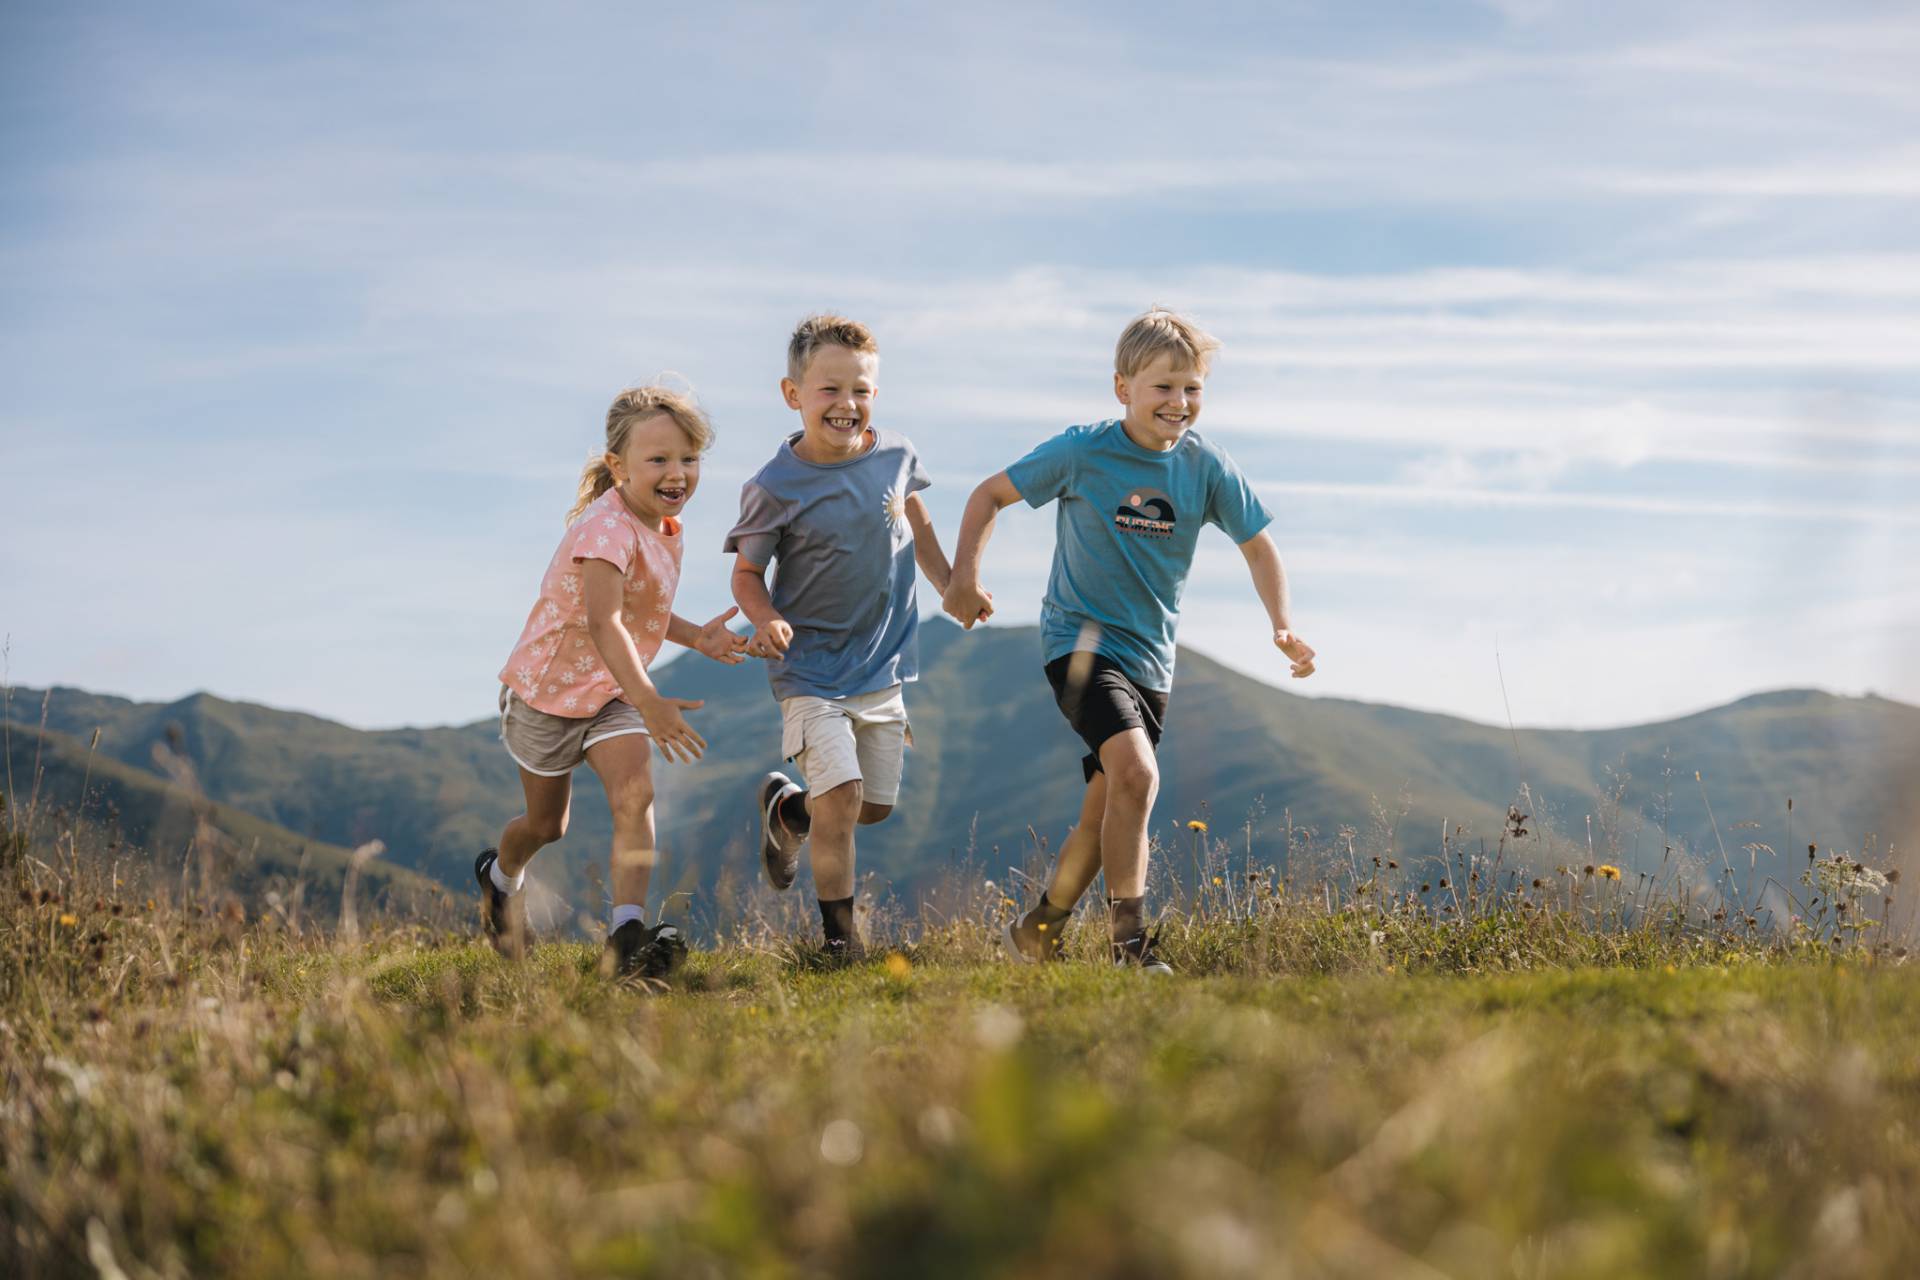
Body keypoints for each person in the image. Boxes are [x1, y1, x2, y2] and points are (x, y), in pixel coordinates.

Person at [942, 307, 1316, 973]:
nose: (1179, 401)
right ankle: (1129, 946)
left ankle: (1038, 931)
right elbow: (988, 495)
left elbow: (1259, 546)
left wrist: (1281, 623)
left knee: (1108, 809)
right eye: (1163, 386)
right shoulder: (1082, 452)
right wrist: (964, 576)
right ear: (1123, 388)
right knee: (1139, 775)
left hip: (1152, 662)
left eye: (1192, 388)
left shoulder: (1207, 466)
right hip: (1079, 645)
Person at [478, 384, 748, 980]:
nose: (677, 473)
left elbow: (637, 610)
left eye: (689, 458)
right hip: (547, 696)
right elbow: (604, 621)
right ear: (618, 467)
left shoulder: (666, 525)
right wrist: (651, 700)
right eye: (659, 459)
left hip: (613, 689)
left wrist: (697, 637)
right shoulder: (606, 531)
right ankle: (500, 877)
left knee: (635, 795)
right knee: (546, 826)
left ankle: (627, 934)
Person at [726, 315, 958, 962]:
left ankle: (790, 814)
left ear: (874, 394)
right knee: (845, 796)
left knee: (869, 807)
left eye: (859, 390)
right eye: (828, 389)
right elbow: (746, 575)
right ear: (792, 394)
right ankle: (839, 944)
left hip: (882, 665)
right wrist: (764, 617)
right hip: (809, 670)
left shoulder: (897, 455)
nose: (846, 403)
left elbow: (915, 514)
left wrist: (949, 582)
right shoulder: (774, 486)